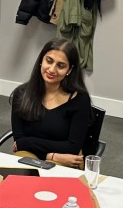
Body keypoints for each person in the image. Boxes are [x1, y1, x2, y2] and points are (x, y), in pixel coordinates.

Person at [9, 38, 91, 168]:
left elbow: (72, 147)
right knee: (25, 171)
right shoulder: (21, 94)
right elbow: (19, 142)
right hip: (40, 155)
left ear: (69, 70)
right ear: (41, 60)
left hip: (67, 158)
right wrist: (51, 156)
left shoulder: (80, 99)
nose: (52, 70)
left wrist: (29, 142)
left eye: (61, 66)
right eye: (49, 61)